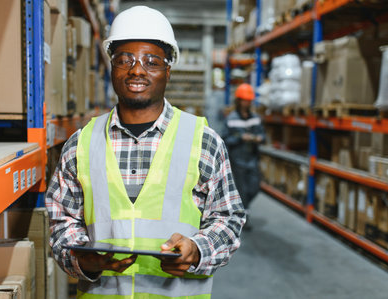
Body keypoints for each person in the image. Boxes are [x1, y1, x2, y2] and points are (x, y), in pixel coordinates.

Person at [45, 5, 245, 298]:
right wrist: (81, 260)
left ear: (168, 69)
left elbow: (228, 218)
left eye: (151, 61)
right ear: (112, 67)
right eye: (124, 60)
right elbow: (61, 221)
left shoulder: (204, 141)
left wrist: (198, 251)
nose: (137, 70)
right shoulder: (80, 144)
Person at [222, 83, 266, 230]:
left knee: (254, 187)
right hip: (238, 159)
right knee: (242, 189)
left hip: (252, 158)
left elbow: (263, 135)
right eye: (243, 100)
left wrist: (258, 138)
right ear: (238, 100)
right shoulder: (232, 118)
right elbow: (225, 139)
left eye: (248, 100)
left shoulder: (255, 118)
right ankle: (243, 219)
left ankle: (241, 210)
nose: (246, 103)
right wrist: (241, 138)